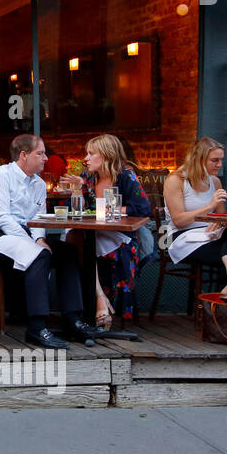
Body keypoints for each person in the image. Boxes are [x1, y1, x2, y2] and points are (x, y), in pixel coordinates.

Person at [0, 134, 97, 350]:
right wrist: (33, 244)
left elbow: (38, 218)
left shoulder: (39, 183)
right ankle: (37, 327)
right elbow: (1, 218)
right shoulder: (0, 176)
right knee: (39, 254)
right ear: (23, 155)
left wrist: (39, 238)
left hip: (24, 234)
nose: (46, 158)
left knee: (67, 252)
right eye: (40, 153)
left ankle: (72, 319)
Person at [60, 134, 151, 327]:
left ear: (106, 156)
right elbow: (77, 211)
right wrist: (77, 189)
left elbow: (143, 208)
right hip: (93, 233)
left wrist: (113, 209)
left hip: (119, 235)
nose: (86, 158)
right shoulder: (87, 177)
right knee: (74, 235)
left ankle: (97, 302)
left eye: (91, 153)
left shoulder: (125, 176)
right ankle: (100, 296)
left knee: (77, 241)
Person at [163, 137, 227, 302]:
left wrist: (220, 221)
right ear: (199, 159)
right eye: (214, 160)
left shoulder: (215, 181)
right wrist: (209, 206)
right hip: (182, 237)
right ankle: (223, 303)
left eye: (221, 160)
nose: (219, 165)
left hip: (210, 234)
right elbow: (178, 220)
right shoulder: (176, 180)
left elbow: (222, 218)